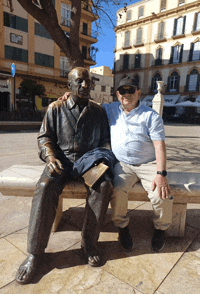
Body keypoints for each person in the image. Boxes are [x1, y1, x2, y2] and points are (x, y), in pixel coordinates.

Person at [15, 67, 115, 285]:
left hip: (89, 162)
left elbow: (105, 142)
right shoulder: (55, 108)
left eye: (88, 82)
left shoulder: (99, 111)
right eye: (79, 81)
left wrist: (100, 162)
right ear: (69, 86)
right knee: (44, 187)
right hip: (61, 160)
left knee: (104, 186)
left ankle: (88, 243)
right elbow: (44, 138)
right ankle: (35, 253)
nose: (85, 86)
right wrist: (50, 158)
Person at [61, 76, 173, 253]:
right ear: (117, 93)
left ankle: (160, 229)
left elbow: (160, 146)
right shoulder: (110, 109)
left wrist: (161, 174)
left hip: (148, 164)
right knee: (117, 190)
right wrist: (72, 94)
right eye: (122, 91)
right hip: (122, 164)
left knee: (161, 194)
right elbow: (90, 103)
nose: (126, 94)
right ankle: (122, 226)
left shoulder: (151, 116)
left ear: (138, 92)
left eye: (130, 90)